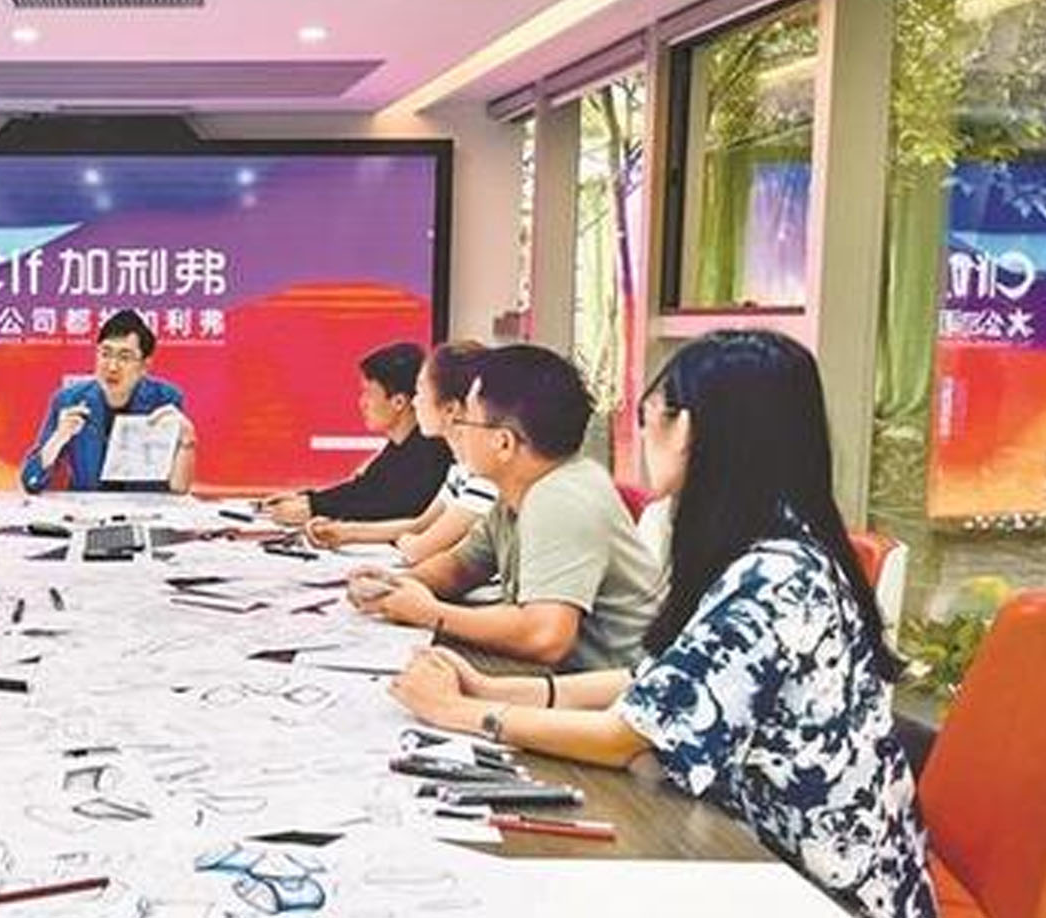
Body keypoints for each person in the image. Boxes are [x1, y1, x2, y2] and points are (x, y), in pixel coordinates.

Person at [390, 330, 935, 918]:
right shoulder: (756, 548)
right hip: (749, 853)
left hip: (818, 890)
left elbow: (628, 734)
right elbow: (652, 685)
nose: (643, 433)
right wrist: (490, 687)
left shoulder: (777, 576)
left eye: (650, 416)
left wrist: (460, 712)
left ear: (693, 430)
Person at [349, 345, 660, 670]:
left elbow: (545, 638)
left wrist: (429, 613)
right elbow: (461, 567)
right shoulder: (519, 489)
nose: (457, 430)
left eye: (467, 420)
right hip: (555, 670)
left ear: (504, 443)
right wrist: (397, 586)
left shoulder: (560, 499)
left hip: (599, 684)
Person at [302, 341, 496, 564]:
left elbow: (419, 548)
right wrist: (343, 532)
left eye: (420, 392)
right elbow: (419, 525)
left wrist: (403, 540)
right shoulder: (461, 469)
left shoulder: (485, 477)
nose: (414, 402)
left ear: (451, 409)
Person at [259, 342, 451, 525]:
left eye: (368, 393)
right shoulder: (401, 445)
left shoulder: (430, 452)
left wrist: (314, 509)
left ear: (399, 402)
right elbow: (364, 489)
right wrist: (308, 499)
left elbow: (392, 508)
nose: (362, 403)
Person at [20, 309, 196, 493]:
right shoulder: (69, 400)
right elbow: (31, 482)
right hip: (88, 508)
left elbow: (179, 488)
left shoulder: (165, 400)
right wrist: (58, 439)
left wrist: (188, 440)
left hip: (145, 507)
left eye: (124, 357)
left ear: (145, 365)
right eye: (105, 354)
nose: (112, 367)